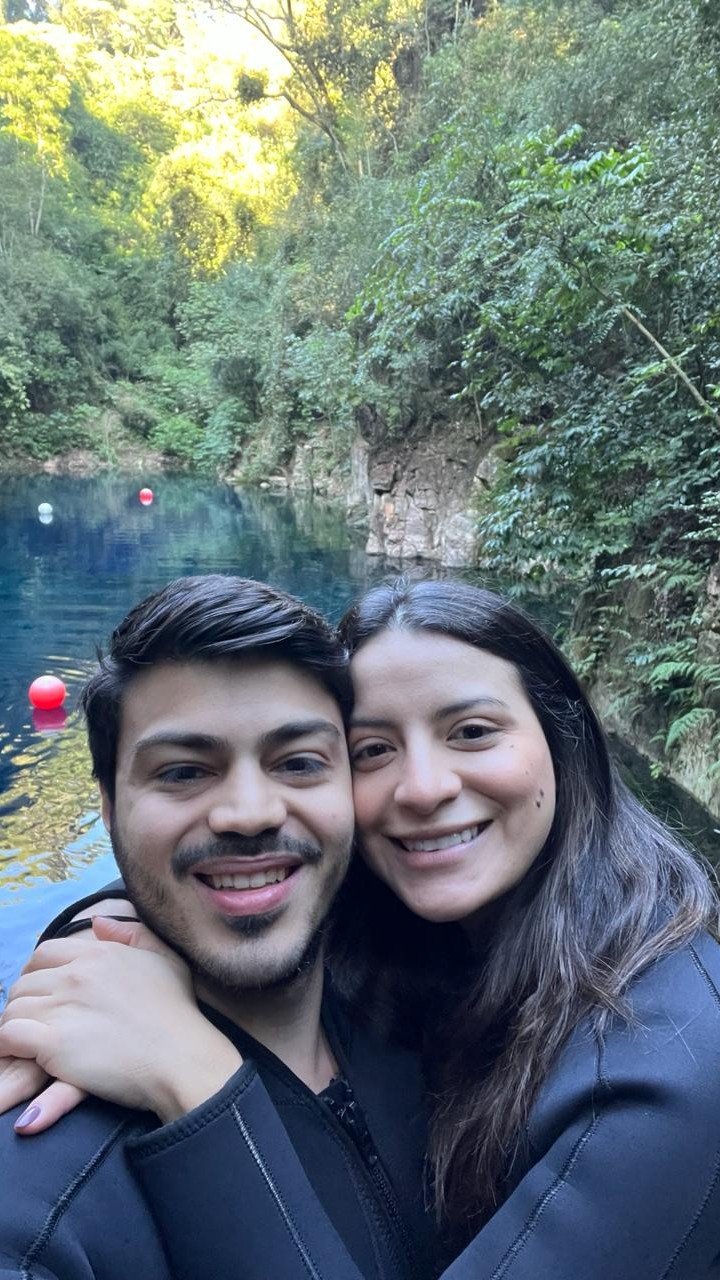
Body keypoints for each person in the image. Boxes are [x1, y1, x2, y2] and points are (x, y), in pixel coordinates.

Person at [3, 576, 720, 1279]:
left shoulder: (667, 1062)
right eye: (374, 749)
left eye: (473, 732)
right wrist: (99, 944)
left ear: (565, 742)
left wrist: (196, 1080)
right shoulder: (391, 918)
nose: (424, 788)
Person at [0, 575, 435, 1280]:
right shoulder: (45, 1190)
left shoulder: (427, 973)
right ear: (108, 804)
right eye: (182, 772)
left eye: (299, 763)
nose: (250, 813)